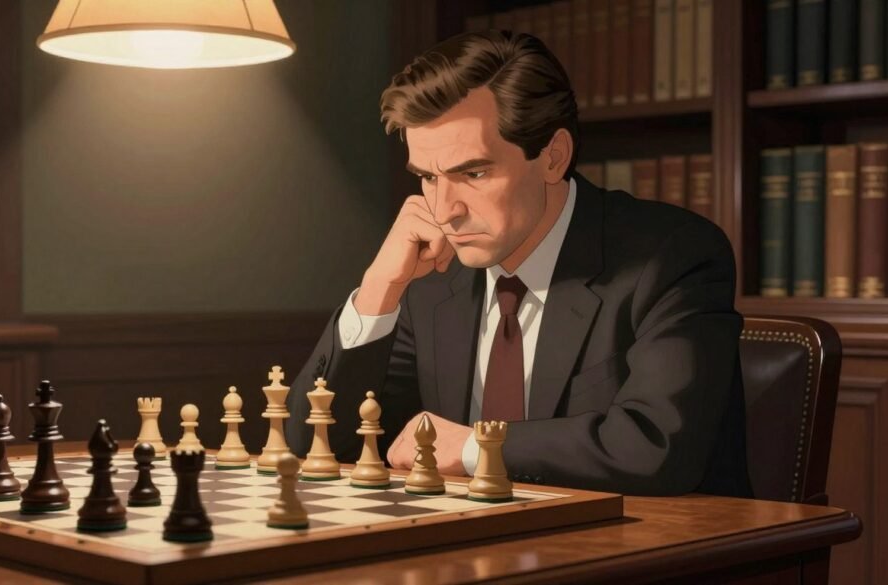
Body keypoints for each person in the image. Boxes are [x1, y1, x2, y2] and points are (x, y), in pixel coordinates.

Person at [286, 30, 752, 497]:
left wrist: (475, 447)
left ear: (553, 157)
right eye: (428, 177)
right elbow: (318, 444)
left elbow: (654, 446)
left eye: (473, 173)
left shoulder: (672, 255)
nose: (445, 210)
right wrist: (377, 291)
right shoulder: (432, 277)